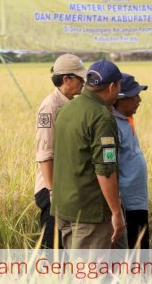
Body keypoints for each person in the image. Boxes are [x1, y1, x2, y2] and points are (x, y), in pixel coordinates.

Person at [50, 59, 125, 249]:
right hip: (90, 212)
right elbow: (105, 169)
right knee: (91, 275)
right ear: (112, 86)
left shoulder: (66, 109)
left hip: (64, 207)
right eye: (118, 87)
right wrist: (116, 212)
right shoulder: (101, 116)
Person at [34, 53, 85, 249]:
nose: (83, 82)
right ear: (67, 79)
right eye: (80, 78)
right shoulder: (50, 106)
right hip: (53, 189)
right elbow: (44, 152)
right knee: (51, 248)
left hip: (68, 188)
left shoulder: (72, 103)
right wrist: (53, 192)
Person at [113, 74, 150, 249]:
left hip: (137, 201)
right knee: (133, 254)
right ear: (119, 98)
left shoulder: (126, 120)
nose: (139, 99)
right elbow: (108, 169)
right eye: (134, 96)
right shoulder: (112, 124)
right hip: (126, 204)